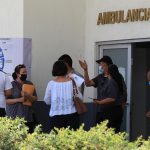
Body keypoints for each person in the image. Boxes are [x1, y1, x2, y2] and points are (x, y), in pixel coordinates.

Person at [79, 56, 127, 132]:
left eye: (102, 64)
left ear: (108, 65)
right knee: (100, 134)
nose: (100, 67)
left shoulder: (116, 77)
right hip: (101, 111)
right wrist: (85, 70)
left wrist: (123, 103)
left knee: (112, 134)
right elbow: (87, 83)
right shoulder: (100, 77)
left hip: (113, 111)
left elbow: (123, 91)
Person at [44, 60, 81, 131]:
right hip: (72, 115)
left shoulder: (51, 84)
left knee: (57, 141)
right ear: (66, 69)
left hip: (56, 117)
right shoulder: (73, 82)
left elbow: (47, 101)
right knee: (71, 140)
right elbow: (79, 97)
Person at [6, 64, 37, 133]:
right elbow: (6, 100)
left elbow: (35, 98)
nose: (25, 74)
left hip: (27, 118)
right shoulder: (11, 85)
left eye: (26, 72)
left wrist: (28, 96)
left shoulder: (30, 84)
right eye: (23, 72)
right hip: (14, 118)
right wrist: (19, 100)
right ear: (17, 74)